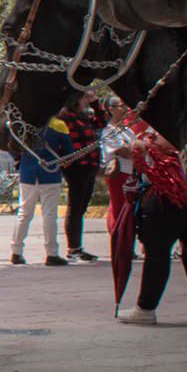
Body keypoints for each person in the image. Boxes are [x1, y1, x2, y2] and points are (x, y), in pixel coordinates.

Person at [103, 105, 187, 325]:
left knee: (157, 252)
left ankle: (146, 308)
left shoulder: (172, 120)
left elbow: (163, 145)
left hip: (168, 195)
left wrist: (139, 145)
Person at [10, 119, 71, 265]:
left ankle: (16, 252)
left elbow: (11, 147)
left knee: (24, 213)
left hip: (28, 173)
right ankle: (51, 253)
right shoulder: (59, 125)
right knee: (49, 214)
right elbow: (68, 151)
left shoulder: (23, 125)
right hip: (50, 173)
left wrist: (20, 160)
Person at [59, 94, 107, 262]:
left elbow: (102, 123)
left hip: (90, 165)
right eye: (84, 98)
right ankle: (73, 248)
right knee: (76, 205)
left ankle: (77, 246)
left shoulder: (84, 116)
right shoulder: (65, 117)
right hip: (77, 166)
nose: (86, 100)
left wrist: (95, 102)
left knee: (82, 205)